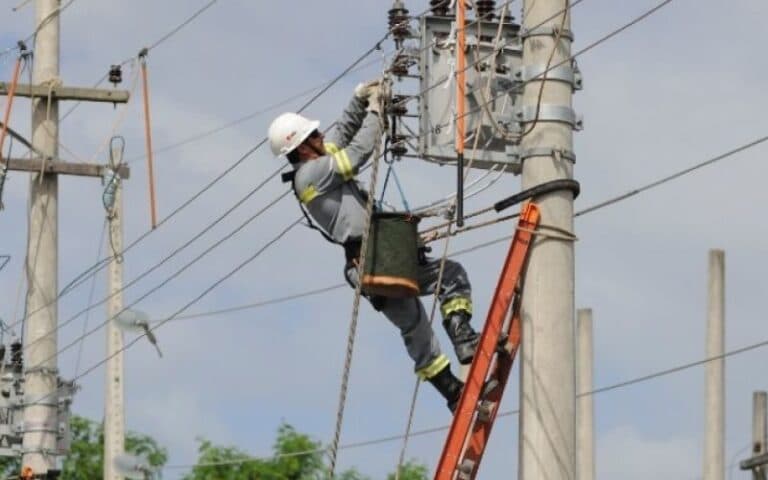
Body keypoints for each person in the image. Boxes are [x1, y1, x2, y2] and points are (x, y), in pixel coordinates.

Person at [267, 80, 483, 411]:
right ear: (301, 147)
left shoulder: (316, 167)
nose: (321, 136)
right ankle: (460, 358)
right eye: (314, 135)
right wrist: (376, 112)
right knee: (441, 288)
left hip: (372, 259)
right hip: (376, 258)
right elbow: (356, 153)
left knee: (420, 316)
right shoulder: (310, 175)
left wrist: (359, 100)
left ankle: (456, 371)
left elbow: (340, 139)